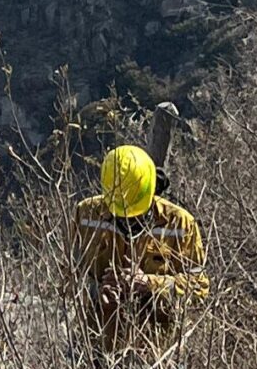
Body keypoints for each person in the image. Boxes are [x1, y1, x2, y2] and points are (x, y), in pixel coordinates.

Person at [71, 143, 212, 356]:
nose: (128, 219)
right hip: (96, 344)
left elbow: (199, 289)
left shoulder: (180, 225)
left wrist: (149, 285)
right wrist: (96, 293)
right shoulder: (86, 216)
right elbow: (67, 279)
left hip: (156, 352)